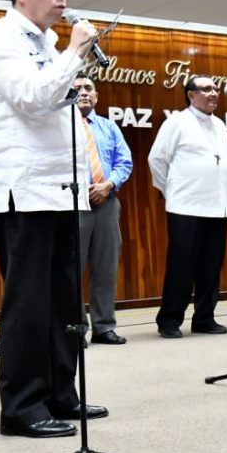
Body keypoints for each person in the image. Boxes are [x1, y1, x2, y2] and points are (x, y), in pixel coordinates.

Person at [0, 0, 106, 439]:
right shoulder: (0, 38)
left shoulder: (47, 42)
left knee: (65, 305)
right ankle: (22, 407)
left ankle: (60, 394)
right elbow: (32, 99)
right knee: (29, 305)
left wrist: (65, 52)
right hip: (21, 193)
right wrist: (75, 52)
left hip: (61, 191)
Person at [148, 75, 227, 339]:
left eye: (215, 88)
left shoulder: (219, 124)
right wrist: (169, 191)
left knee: (211, 266)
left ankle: (205, 318)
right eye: (206, 89)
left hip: (218, 207)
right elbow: (157, 159)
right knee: (181, 266)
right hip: (185, 206)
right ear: (191, 95)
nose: (214, 93)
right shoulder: (177, 121)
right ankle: (170, 319)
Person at [73, 75, 133, 345]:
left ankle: (104, 326)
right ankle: (75, 328)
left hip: (107, 202)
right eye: (76, 89)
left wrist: (108, 184)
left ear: (96, 96)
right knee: (71, 269)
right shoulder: (60, 127)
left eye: (88, 89)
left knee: (105, 268)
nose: (83, 93)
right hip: (74, 205)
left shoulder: (109, 127)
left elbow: (124, 161)